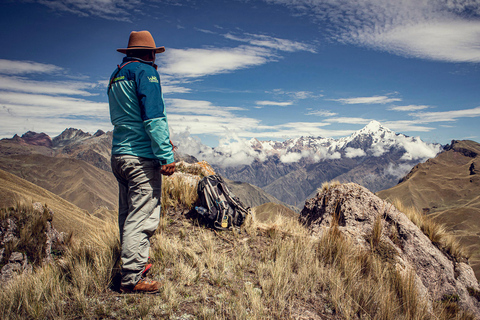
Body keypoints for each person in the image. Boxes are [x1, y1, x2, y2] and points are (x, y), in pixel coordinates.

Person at [108, 30, 175, 293]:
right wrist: (165, 156)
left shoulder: (116, 75)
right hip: (140, 158)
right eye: (154, 54)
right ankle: (133, 278)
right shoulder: (146, 74)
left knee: (127, 215)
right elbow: (154, 118)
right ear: (149, 53)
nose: (155, 59)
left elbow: (128, 116)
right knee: (142, 216)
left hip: (119, 156)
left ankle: (133, 264)